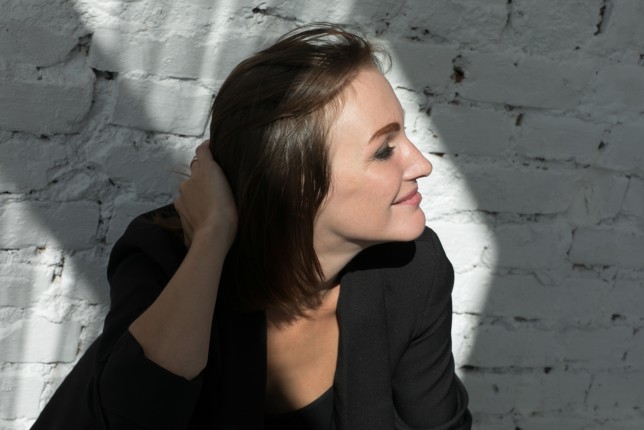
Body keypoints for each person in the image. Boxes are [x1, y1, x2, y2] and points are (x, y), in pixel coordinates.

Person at [32, 24, 471, 429]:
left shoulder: (413, 268)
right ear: (295, 184)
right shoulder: (164, 258)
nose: (422, 164)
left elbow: (440, 425)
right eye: (384, 150)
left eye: (404, 136)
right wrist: (211, 240)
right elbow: (134, 419)